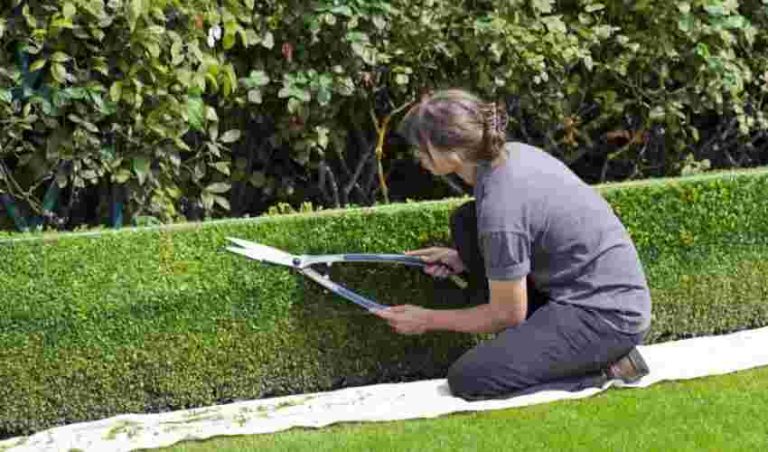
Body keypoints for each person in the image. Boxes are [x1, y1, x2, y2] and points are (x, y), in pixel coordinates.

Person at [374, 89, 651, 400]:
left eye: (421, 149)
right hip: (588, 292)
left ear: (449, 151)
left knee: (470, 377)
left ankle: (609, 367)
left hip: (606, 317)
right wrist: (462, 258)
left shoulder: (501, 206)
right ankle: (544, 349)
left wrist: (426, 319)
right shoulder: (511, 156)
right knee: (466, 221)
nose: (418, 158)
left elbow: (507, 314)